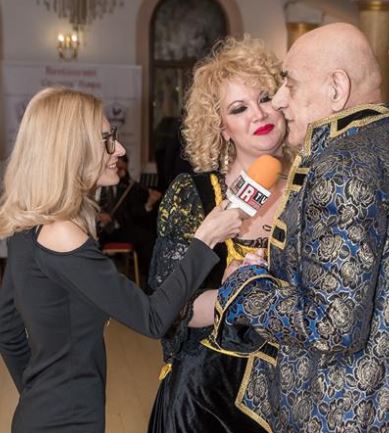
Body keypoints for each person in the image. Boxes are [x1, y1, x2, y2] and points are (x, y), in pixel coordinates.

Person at [209, 23, 389, 433]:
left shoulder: (340, 165)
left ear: (336, 88)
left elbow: (331, 324)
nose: (279, 100)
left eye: (289, 83)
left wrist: (244, 287)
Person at [0, 87, 244, 433]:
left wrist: (41, 399)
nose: (119, 149)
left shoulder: (28, 225)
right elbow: (152, 319)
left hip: (43, 416)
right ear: (72, 149)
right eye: (107, 139)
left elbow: (6, 333)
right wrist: (205, 240)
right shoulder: (62, 234)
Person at [146, 35, 291, 433]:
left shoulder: (313, 189)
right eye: (239, 108)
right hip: (204, 399)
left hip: (289, 395)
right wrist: (236, 294)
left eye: (265, 97)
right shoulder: (193, 195)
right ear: (222, 128)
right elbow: (170, 307)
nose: (258, 114)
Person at [97, 153, 161, 279]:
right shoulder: (94, 185)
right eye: (116, 166)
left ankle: (152, 278)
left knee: (147, 236)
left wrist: (149, 203)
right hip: (97, 231)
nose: (119, 171)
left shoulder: (126, 187)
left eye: (122, 168)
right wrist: (97, 215)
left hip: (118, 230)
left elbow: (136, 212)